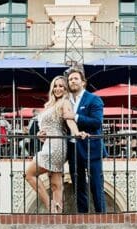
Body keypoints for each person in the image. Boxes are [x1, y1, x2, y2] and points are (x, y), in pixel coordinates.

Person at [24, 76, 83, 213]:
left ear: (66, 89)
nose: (58, 89)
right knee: (56, 185)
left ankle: (50, 206)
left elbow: (70, 121)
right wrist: (40, 134)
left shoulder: (65, 103)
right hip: (48, 143)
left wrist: (76, 133)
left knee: (29, 174)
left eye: (61, 86)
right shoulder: (49, 105)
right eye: (55, 86)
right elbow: (47, 126)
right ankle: (57, 214)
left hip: (56, 145)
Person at [65, 68, 106, 213]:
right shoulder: (66, 101)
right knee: (78, 185)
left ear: (83, 82)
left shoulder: (94, 99)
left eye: (75, 78)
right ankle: (83, 216)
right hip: (73, 149)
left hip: (91, 148)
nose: (72, 81)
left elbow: (97, 122)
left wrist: (75, 117)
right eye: (70, 79)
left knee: (96, 184)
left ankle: (102, 216)